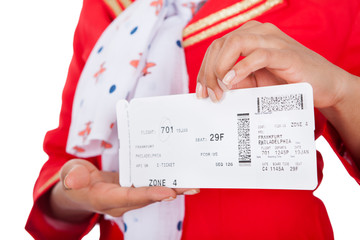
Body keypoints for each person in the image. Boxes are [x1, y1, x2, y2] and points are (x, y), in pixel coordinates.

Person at [26, 0, 360, 239]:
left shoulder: (335, 6)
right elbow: (67, 162)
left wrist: (342, 92)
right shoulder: (102, 9)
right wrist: (74, 195)